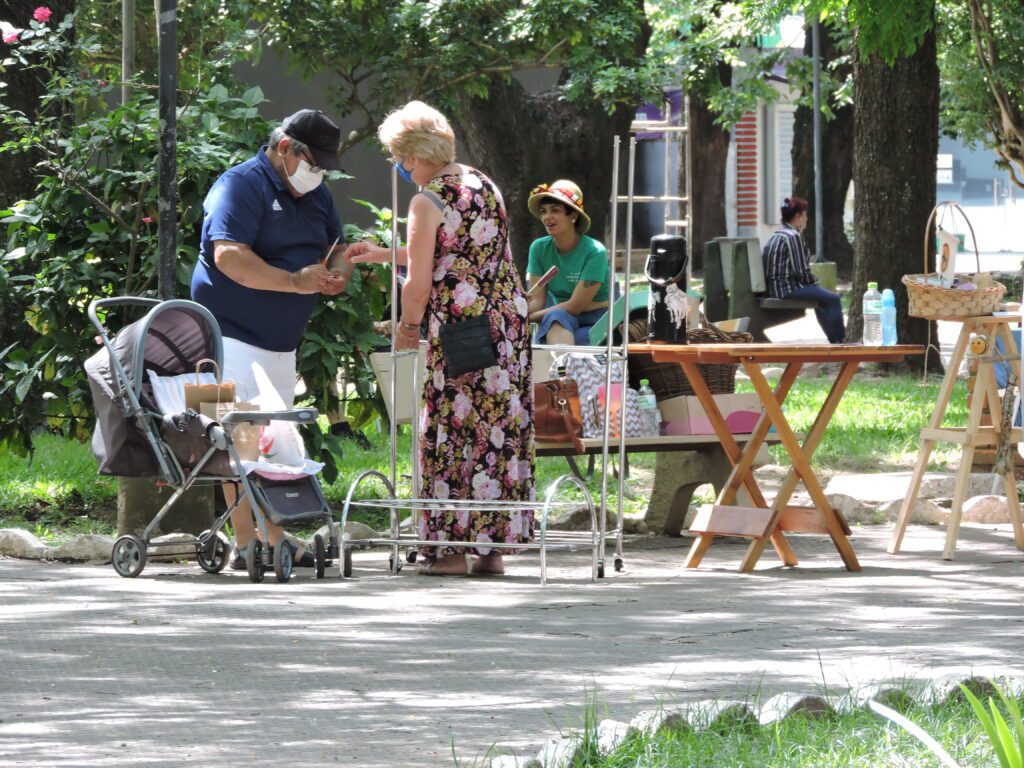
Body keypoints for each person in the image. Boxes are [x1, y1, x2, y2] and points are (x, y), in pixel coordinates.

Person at [344, 100, 534, 576]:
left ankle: (448, 551)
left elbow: (422, 278)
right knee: (497, 431)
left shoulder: (426, 200)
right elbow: (463, 250)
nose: (400, 166)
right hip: (505, 328)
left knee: (450, 428)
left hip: (458, 331)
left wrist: (407, 328)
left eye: (399, 156)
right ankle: (491, 550)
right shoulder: (482, 184)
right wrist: (382, 254)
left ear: (413, 152)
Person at [190, 108, 353, 568]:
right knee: (235, 442)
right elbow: (228, 256)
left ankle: (269, 537)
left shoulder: (317, 193)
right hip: (221, 336)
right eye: (313, 163)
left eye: (324, 167)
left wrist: (338, 273)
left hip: (281, 342)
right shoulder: (239, 184)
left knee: (272, 445)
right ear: (285, 148)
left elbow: (337, 246)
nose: (317, 174)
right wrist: (294, 282)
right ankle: (250, 543)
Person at [526, 180, 611, 345]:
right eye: (543, 211)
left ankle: (563, 369)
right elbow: (537, 301)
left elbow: (575, 306)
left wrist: (529, 318)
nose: (547, 217)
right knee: (554, 318)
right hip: (561, 315)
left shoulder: (595, 251)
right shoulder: (538, 248)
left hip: (598, 317)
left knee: (557, 323)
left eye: (555, 210)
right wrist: (513, 313)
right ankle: (562, 371)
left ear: (573, 216)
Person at [762, 196, 845, 344]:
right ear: (798, 216)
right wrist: (815, 283)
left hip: (774, 287)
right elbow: (801, 272)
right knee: (833, 298)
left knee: (821, 298)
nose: (806, 219)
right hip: (787, 289)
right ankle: (840, 340)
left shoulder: (777, 234)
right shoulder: (793, 237)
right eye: (806, 215)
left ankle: (835, 340)